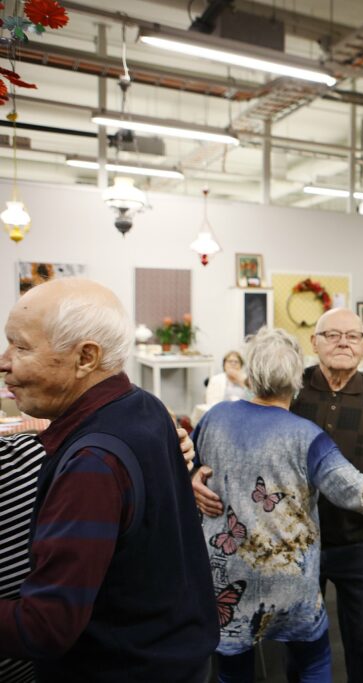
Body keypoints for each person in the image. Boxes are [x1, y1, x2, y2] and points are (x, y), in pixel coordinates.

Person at [0, 278, 218, 682]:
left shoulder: (91, 463)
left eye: (21, 347)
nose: (4, 361)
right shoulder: (146, 406)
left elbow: (44, 626)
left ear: (85, 357)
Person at [194, 307, 363, 683]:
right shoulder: (295, 406)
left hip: (356, 542)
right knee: (301, 650)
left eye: (353, 335)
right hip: (293, 553)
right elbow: (197, 460)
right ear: (312, 345)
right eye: (332, 335)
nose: (343, 342)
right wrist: (193, 478)